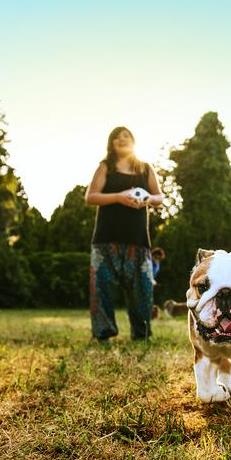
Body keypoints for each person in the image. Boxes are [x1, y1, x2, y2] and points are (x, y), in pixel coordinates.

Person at [85, 126, 163, 342]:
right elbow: (90, 197)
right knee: (101, 290)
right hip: (105, 240)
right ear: (111, 144)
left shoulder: (145, 168)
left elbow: (159, 198)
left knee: (142, 290)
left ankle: (142, 334)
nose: (122, 139)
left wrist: (147, 199)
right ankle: (103, 334)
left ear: (134, 141)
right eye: (117, 137)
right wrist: (119, 197)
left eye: (126, 136)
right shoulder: (105, 167)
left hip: (137, 241)